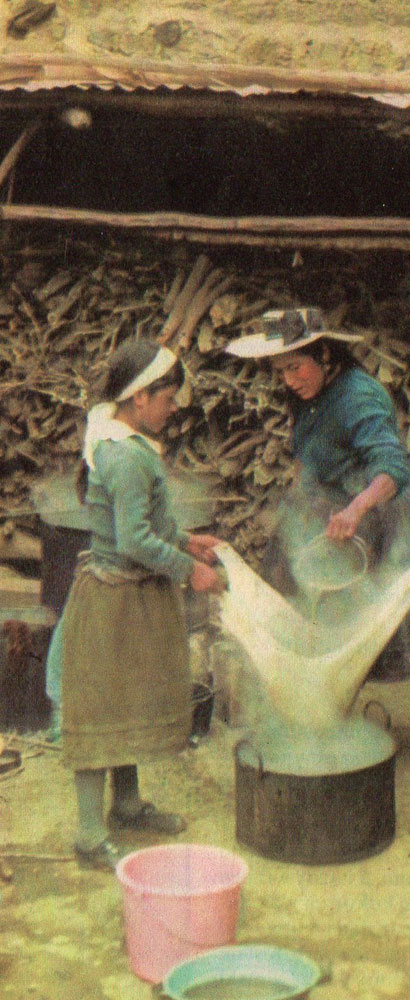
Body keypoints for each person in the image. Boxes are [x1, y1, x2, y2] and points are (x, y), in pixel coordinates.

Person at [45, 338, 225, 870]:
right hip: (112, 598)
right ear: (140, 397)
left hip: (130, 595)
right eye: (168, 398)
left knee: (124, 704)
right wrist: (189, 571)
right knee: (100, 710)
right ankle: (87, 831)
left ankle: (124, 805)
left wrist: (187, 539)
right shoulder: (125, 456)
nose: (173, 409)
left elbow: (149, 523)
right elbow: (133, 542)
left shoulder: (124, 439)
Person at [225, 307, 410, 680]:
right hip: (335, 507)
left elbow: (393, 467)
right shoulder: (309, 395)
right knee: (306, 606)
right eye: (280, 371)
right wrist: (299, 504)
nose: (289, 380)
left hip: (381, 511)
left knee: (377, 635)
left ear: (323, 354)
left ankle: (376, 705)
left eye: (295, 368)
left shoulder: (358, 395)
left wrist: (356, 509)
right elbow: (309, 456)